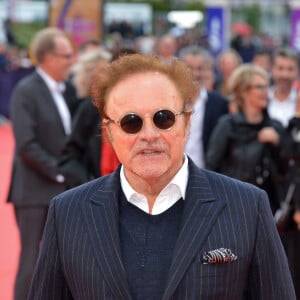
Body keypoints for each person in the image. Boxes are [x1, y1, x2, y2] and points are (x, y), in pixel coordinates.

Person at [28, 54, 295, 299]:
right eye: (131, 122)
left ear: (187, 123)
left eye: (163, 118)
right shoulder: (68, 213)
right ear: (109, 132)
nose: (149, 135)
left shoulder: (247, 206)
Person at [7, 27, 80, 300]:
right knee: (32, 259)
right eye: (66, 55)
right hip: (34, 191)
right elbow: (26, 145)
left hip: (61, 190)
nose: (71, 61)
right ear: (46, 57)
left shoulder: (66, 90)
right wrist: (61, 172)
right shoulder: (26, 91)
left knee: (63, 259)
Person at [206, 64, 288, 214]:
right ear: (243, 91)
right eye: (259, 87)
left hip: (267, 209)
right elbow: (211, 167)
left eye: (266, 87)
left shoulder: (275, 127)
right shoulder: (228, 125)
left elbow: (286, 170)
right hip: (232, 205)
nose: (266, 92)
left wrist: (278, 143)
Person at [58, 47, 119, 188]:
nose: (109, 74)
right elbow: (70, 155)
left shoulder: (118, 104)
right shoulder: (88, 107)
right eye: (103, 69)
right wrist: (89, 185)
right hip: (97, 188)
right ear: (90, 74)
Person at [178, 45, 228, 168]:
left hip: (207, 173)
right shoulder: (170, 101)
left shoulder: (219, 103)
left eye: (200, 68)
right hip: (174, 173)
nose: (195, 73)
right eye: (189, 68)